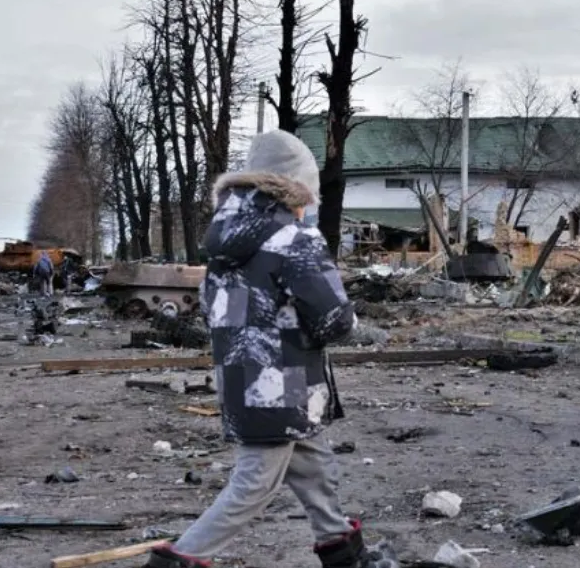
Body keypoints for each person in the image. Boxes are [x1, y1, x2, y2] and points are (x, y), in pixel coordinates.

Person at [145, 130, 395, 568]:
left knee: (313, 467)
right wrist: (362, 330)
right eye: (308, 196)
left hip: (241, 377)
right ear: (294, 189)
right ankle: (178, 560)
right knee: (255, 483)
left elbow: (220, 311)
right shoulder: (294, 239)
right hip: (284, 384)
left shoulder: (225, 245)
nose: (309, 207)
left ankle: (341, 550)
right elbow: (333, 319)